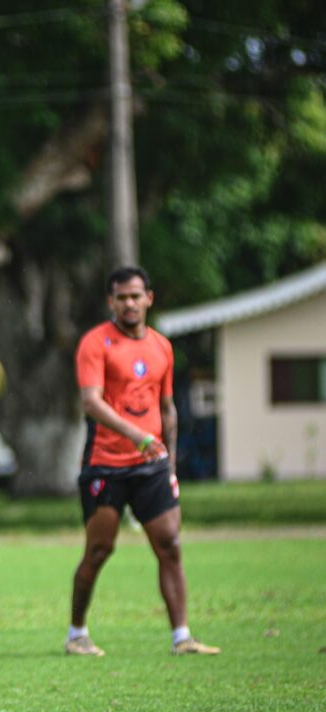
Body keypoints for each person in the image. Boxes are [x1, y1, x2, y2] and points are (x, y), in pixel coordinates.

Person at [67, 266, 219, 657]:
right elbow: (91, 401)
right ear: (111, 302)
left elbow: (166, 406)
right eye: (121, 297)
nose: (129, 303)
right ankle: (77, 633)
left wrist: (168, 463)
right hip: (105, 463)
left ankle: (182, 636)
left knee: (170, 544)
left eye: (136, 296)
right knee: (99, 550)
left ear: (149, 298)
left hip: (151, 465)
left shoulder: (161, 347)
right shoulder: (96, 343)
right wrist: (137, 436)